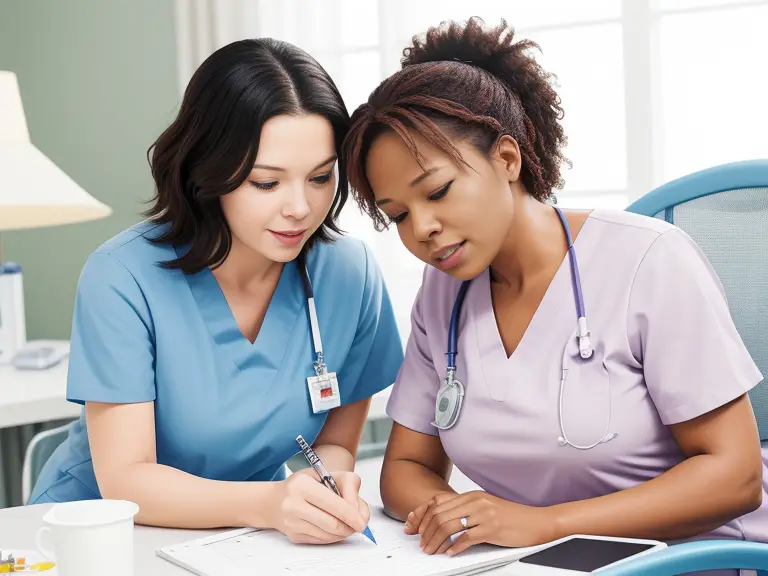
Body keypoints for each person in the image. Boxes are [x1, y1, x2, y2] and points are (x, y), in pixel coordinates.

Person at [342, 16, 767, 567]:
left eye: (439, 191)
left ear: (508, 159)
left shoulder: (648, 261)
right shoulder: (443, 291)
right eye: (397, 215)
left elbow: (733, 479)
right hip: (540, 563)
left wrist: (541, 525)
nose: (421, 228)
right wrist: (466, 520)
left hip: (691, 558)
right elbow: (404, 471)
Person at [29, 38, 404, 545]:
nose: (301, 207)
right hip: (95, 535)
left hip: (242, 537)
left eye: (320, 177)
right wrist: (271, 503)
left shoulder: (349, 274)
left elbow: (335, 443)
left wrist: (328, 489)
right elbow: (125, 479)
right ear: (210, 169)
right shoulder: (122, 277)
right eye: (266, 183)